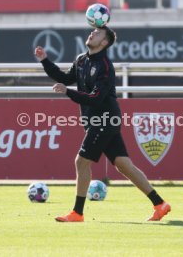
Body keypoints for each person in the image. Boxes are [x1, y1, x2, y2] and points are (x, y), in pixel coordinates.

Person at [35, 26, 171, 222]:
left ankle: (77, 213)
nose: (92, 33)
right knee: (124, 165)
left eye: (97, 33)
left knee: (81, 162)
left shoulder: (105, 66)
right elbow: (65, 78)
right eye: (92, 31)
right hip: (97, 120)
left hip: (105, 119)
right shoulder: (82, 59)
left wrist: (67, 92)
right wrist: (45, 61)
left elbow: (96, 98)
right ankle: (160, 204)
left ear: (105, 42)